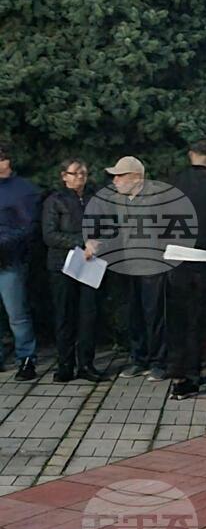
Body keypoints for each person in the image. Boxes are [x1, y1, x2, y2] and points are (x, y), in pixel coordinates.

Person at [164, 139, 206, 400]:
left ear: (190, 155)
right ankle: (196, 371)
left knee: (177, 318)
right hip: (204, 258)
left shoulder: (172, 183)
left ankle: (178, 373)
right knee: (199, 320)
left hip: (174, 256)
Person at [104, 156, 169, 380]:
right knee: (134, 314)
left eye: (120, 176)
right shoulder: (117, 201)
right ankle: (139, 359)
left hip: (153, 266)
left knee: (154, 314)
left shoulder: (157, 199)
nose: (115, 180)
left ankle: (159, 362)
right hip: (128, 265)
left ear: (136, 177)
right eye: (114, 176)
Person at [42, 158, 103, 382]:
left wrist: (97, 243)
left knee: (88, 315)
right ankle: (65, 365)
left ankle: (86, 364)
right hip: (63, 265)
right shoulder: (55, 201)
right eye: (75, 173)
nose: (80, 177)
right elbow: (50, 235)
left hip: (90, 263)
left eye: (83, 173)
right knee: (65, 315)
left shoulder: (94, 199)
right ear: (64, 176)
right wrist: (81, 242)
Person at [0, 143, 40, 380]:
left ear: (7, 161)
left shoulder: (23, 190)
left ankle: (26, 358)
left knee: (17, 314)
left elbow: (29, 226)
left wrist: (4, 244)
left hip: (10, 260)